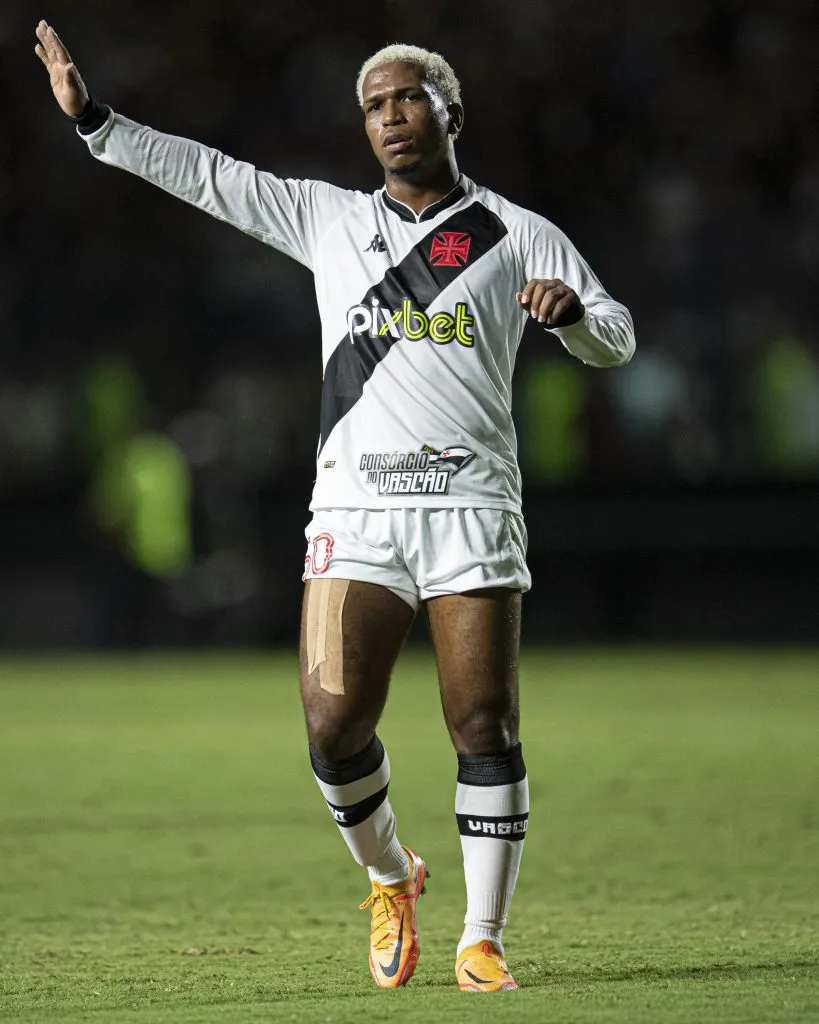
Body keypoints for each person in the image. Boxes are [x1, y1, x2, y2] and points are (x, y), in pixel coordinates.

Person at [35, 21, 635, 992]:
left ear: (451, 114)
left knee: (482, 724)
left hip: (470, 507)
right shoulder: (326, 218)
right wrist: (97, 122)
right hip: (354, 515)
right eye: (373, 106)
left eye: (407, 99)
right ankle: (392, 875)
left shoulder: (516, 231)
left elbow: (617, 330)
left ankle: (481, 939)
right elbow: (210, 176)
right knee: (330, 725)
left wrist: (575, 323)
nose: (390, 117)